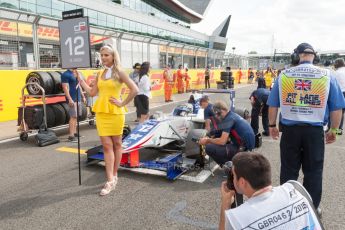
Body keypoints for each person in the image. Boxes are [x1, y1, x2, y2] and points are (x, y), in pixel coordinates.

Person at [268, 43, 345, 210]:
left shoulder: (284, 75)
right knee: (314, 172)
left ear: (296, 56)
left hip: (290, 132)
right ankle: (312, 208)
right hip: (315, 132)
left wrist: (271, 125)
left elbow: (273, 104)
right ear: (314, 57)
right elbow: (337, 107)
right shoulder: (327, 75)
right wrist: (335, 131)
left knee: (288, 171)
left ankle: (287, 206)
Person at [77, 44, 138, 196]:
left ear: (113, 56)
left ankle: (114, 174)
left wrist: (122, 103)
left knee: (117, 143)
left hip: (116, 113)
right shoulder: (100, 73)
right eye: (102, 55)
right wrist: (80, 78)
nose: (103, 58)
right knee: (106, 146)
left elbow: (135, 90)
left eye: (106, 55)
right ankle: (110, 179)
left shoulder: (120, 73)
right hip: (102, 113)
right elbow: (92, 93)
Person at [219, 152, 324, 230]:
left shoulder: (237, 217)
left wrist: (225, 204)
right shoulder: (294, 187)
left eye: (234, 175)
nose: (232, 178)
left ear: (242, 182)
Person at [198, 101, 255, 166]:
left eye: (216, 114)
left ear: (221, 111)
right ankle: (234, 162)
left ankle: (229, 167)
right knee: (218, 140)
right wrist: (211, 136)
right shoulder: (232, 115)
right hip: (247, 146)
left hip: (243, 149)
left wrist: (208, 140)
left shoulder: (228, 120)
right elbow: (220, 132)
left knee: (209, 148)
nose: (216, 116)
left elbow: (222, 141)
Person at [61, 69, 86, 142]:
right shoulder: (65, 74)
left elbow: (79, 85)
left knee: (76, 116)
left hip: (78, 97)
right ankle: (71, 136)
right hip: (72, 98)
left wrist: (83, 96)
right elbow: (65, 88)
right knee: (73, 116)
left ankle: (75, 133)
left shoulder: (77, 73)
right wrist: (69, 99)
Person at [334, 58, 345, 135]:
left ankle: (338, 130)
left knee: (339, 112)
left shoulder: (337, 73)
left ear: (338, 63)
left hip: (341, 93)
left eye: (335, 63)